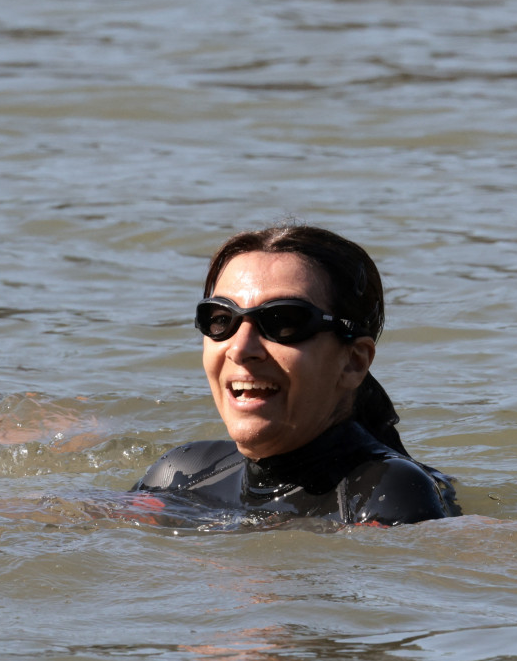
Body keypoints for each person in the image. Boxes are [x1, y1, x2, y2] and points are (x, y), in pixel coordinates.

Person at [136, 225, 459, 525]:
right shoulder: (181, 472)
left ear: (354, 362)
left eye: (284, 321)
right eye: (220, 319)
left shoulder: (385, 492)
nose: (240, 348)